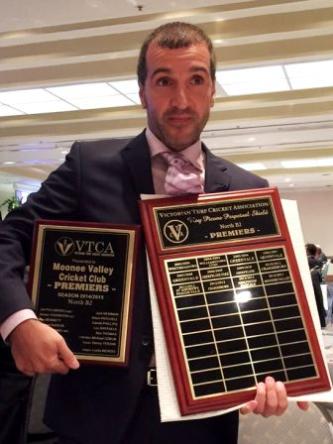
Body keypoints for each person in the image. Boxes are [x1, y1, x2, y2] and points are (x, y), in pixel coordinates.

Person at [0, 22, 308, 444]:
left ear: (213, 89)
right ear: (142, 90)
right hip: (95, 418)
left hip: (202, 423)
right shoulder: (89, 166)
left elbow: (261, 309)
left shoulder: (248, 190)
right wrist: (19, 322)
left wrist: (272, 374)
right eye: (164, 81)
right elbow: (8, 238)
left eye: (195, 80)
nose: (181, 100)